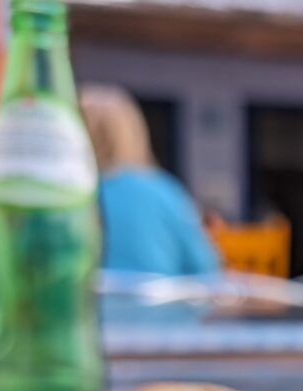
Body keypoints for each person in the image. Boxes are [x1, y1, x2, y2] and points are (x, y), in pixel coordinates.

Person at [80, 85, 219, 275]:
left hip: (81, 303)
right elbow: (205, 269)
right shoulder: (163, 191)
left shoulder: (63, 196)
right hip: (158, 303)